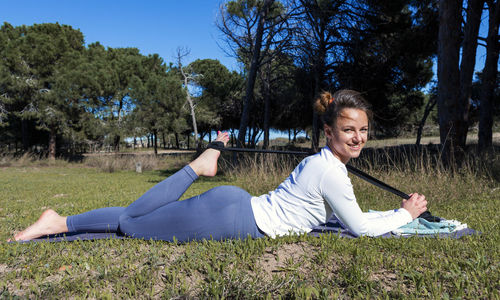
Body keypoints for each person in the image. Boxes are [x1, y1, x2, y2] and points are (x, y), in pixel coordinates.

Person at [9, 89, 427, 242]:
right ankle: (199, 165)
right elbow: (360, 227)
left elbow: (352, 216)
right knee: (134, 223)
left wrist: (393, 213)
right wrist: (404, 215)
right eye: (349, 129)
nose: (359, 137)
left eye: (365, 130)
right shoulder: (331, 171)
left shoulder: (324, 163)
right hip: (236, 220)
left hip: (236, 209)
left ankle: (59, 222)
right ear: (329, 131)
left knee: (137, 222)